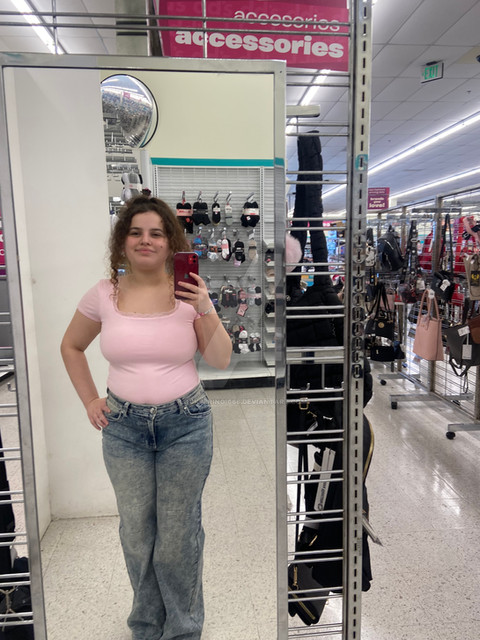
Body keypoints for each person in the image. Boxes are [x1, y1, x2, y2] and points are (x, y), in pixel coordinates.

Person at [60, 195, 232, 640]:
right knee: (137, 534)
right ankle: (146, 625)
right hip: (124, 430)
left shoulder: (188, 294)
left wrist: (205, 305)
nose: (146, 240)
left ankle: (184, 629)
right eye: (136, 232)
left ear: (171, 242)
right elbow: (71, 346)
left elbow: (220, 359)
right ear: (122, 240)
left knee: (177, 536)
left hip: (185, 425)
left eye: (156, 233)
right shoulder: (104, 293)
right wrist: (90, 399)